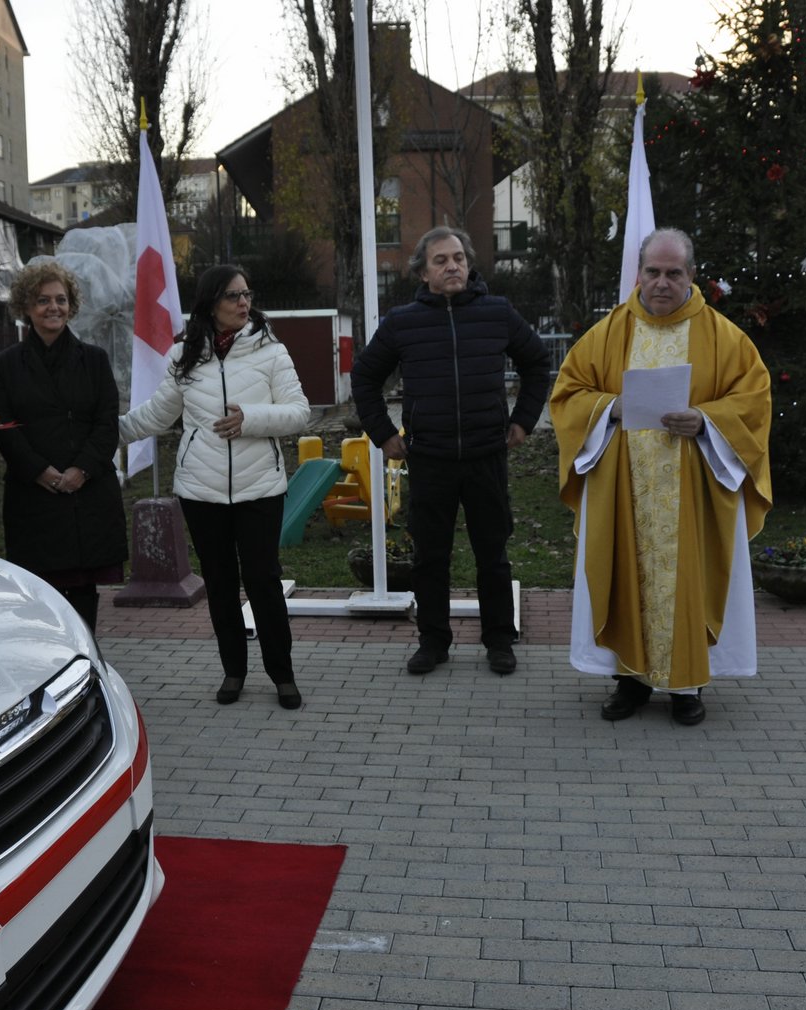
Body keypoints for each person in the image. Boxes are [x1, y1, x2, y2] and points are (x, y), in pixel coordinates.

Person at [549, 228, 772, 726]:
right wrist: (612, 407)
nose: (662, 283)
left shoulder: (725, 337)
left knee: (686, 580)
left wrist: (707, 420)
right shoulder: (607, 334)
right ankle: (627, 683)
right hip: (622, 489)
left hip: (693, 490)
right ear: (639, 274)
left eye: (674, 273)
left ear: (692, 276)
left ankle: (686, 688)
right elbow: (567, 394)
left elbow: (754, 399)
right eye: (653, 272)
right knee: (624, 574)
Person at [350, 226, 551, 677]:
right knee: (430, 557)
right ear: (423, 272)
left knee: (492, 554)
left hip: (486, 456)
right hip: (431, 458)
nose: (453, 266)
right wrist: (383, 433)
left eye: (458, 258)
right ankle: (433, 642)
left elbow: (538, 363)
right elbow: (364, 377)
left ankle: (499, 640)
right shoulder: (402, 322)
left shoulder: (497, 313)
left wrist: (523, 420)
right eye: (440, 260)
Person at [119, 264, 311, 710]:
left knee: (263, 581)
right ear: (210, 304)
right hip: (201, 492)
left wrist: (252, 418)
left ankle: (282, 675)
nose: (244, 303)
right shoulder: (184, 356)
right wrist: (106, 433)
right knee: (221, 584)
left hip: (261, 488)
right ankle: (233, 672)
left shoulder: (271, 351)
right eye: (233, 296)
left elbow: (300, 412)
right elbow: (157, 415)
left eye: (247, 294)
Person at [0, 260, 128, 631]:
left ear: (72, 305)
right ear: (26, 307)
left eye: (61, 299)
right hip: (34, 495)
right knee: (42, 591)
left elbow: (106, 421)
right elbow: (3, 426)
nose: (54, 307)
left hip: (87, 492)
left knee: (84, 590)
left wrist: (80, 470)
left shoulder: (94, 360)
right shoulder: (6, 364)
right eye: (43, 300)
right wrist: (41, 472)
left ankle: (87, 662)